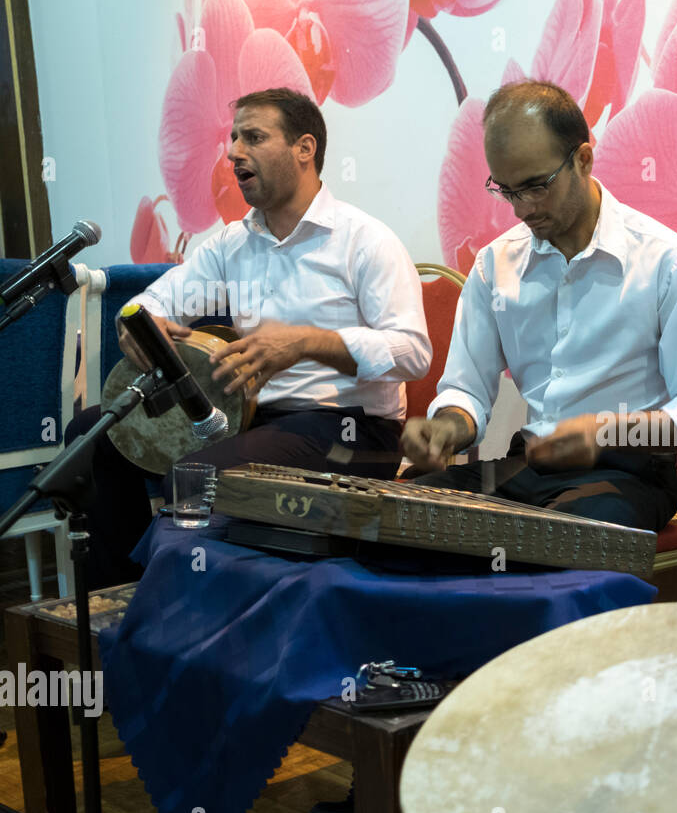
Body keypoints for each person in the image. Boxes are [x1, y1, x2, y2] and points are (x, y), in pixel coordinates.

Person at [65, 87, 431, 588]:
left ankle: (184, 603)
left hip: (351, 431)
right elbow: (148, 302)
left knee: (193, 475)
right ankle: (125, 595)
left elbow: (413, 353)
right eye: (233, 138)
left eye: (253, 137)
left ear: (305, 148)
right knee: (90, 438)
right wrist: (140, 325)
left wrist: (305, 343)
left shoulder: (364, 240)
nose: (234, 151)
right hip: (252, 420)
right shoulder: (233, 243)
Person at [400, 81, 677, 532]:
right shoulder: (495, 265)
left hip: (627, 475)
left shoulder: (663, 260)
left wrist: (606, 432)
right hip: (528, 468)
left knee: (556, 540)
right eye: (507, 190)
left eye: (537, 186)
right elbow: (467, 391)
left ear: (583, 159)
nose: (522, 209)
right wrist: (448, 427)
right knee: (398, 515)